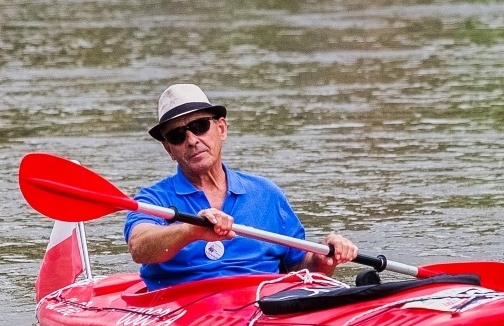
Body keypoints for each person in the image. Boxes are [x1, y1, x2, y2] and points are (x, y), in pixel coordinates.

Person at [124, 83, 359, 290]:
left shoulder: (267, 194)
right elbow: (140, 247)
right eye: (177, 135)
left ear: (221, 129)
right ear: (169, 149)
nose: (192, 140)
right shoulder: (152, 199)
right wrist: (191, 231)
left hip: (261, 306)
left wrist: (324, 259)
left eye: (200, 126)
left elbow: (298, 267)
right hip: (182, 309)